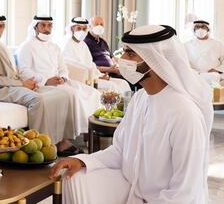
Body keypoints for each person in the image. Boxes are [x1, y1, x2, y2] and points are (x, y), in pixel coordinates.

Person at [51, 24, 213, 204]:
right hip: (132, 190)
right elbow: (120, 151)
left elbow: (184, 192)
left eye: (130, 54)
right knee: (75, 177)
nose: (121, 59)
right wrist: (82, 161)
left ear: (155, 60)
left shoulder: (185, 114)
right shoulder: (140, 99)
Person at [0, 15, 76, 151]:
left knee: (60, 94)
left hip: (10, 85)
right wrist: (22, 84)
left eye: (1, 26)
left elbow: (12, 72)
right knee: (36, 99)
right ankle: (37, 145)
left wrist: (29, 83)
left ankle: (57, 141)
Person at [16, 15, 99, 154]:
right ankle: (62, 141)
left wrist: (63, 78)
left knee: (93, 93)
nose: (47, 29)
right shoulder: (26, 47)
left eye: (49, 26)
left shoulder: (54, 47)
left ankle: (91, 134)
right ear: (35, 26)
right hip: (40, 84)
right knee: (71, 94)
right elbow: (24, 72)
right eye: (43, 25)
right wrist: (46, 80)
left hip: (59, 83)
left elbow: (63, 67)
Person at [63, 17, 130, 95]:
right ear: (72, 29)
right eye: (79, 28)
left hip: (95, 75)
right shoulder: (66, 44)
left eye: (84, 29)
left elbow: (90, 64)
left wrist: (100, 75)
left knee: (123, 83)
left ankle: (126, 106)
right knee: (111, 86)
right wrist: (98, 76)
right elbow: (74, 68)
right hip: (81, 80)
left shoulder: (83, 45)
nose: (82, 31)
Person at [185, 19, 224, 85]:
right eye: (197, 27)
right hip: (194, 74)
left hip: (212, 74)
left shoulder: (218, 44)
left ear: (208, 29)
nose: (200, 29)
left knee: (212, 77)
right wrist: (194, 72)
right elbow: (183, 63)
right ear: (194, 30)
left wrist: (216, 70)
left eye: (203, 27)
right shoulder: (186, 45)